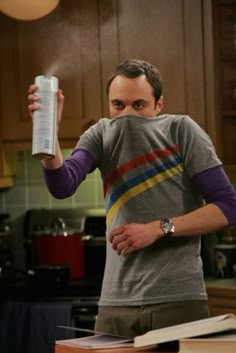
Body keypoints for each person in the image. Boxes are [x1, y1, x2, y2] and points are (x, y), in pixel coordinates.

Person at [28, 59, 236, 337]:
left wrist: (157, 228)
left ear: (158, 104)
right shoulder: (100, 134)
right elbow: (63, 185)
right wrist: (48, 131)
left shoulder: (181, 130)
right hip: (116, 304)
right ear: (109, 106)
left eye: (138, 105)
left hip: (178, 300)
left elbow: (228, 207)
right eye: (118, 105)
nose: (127, 114)